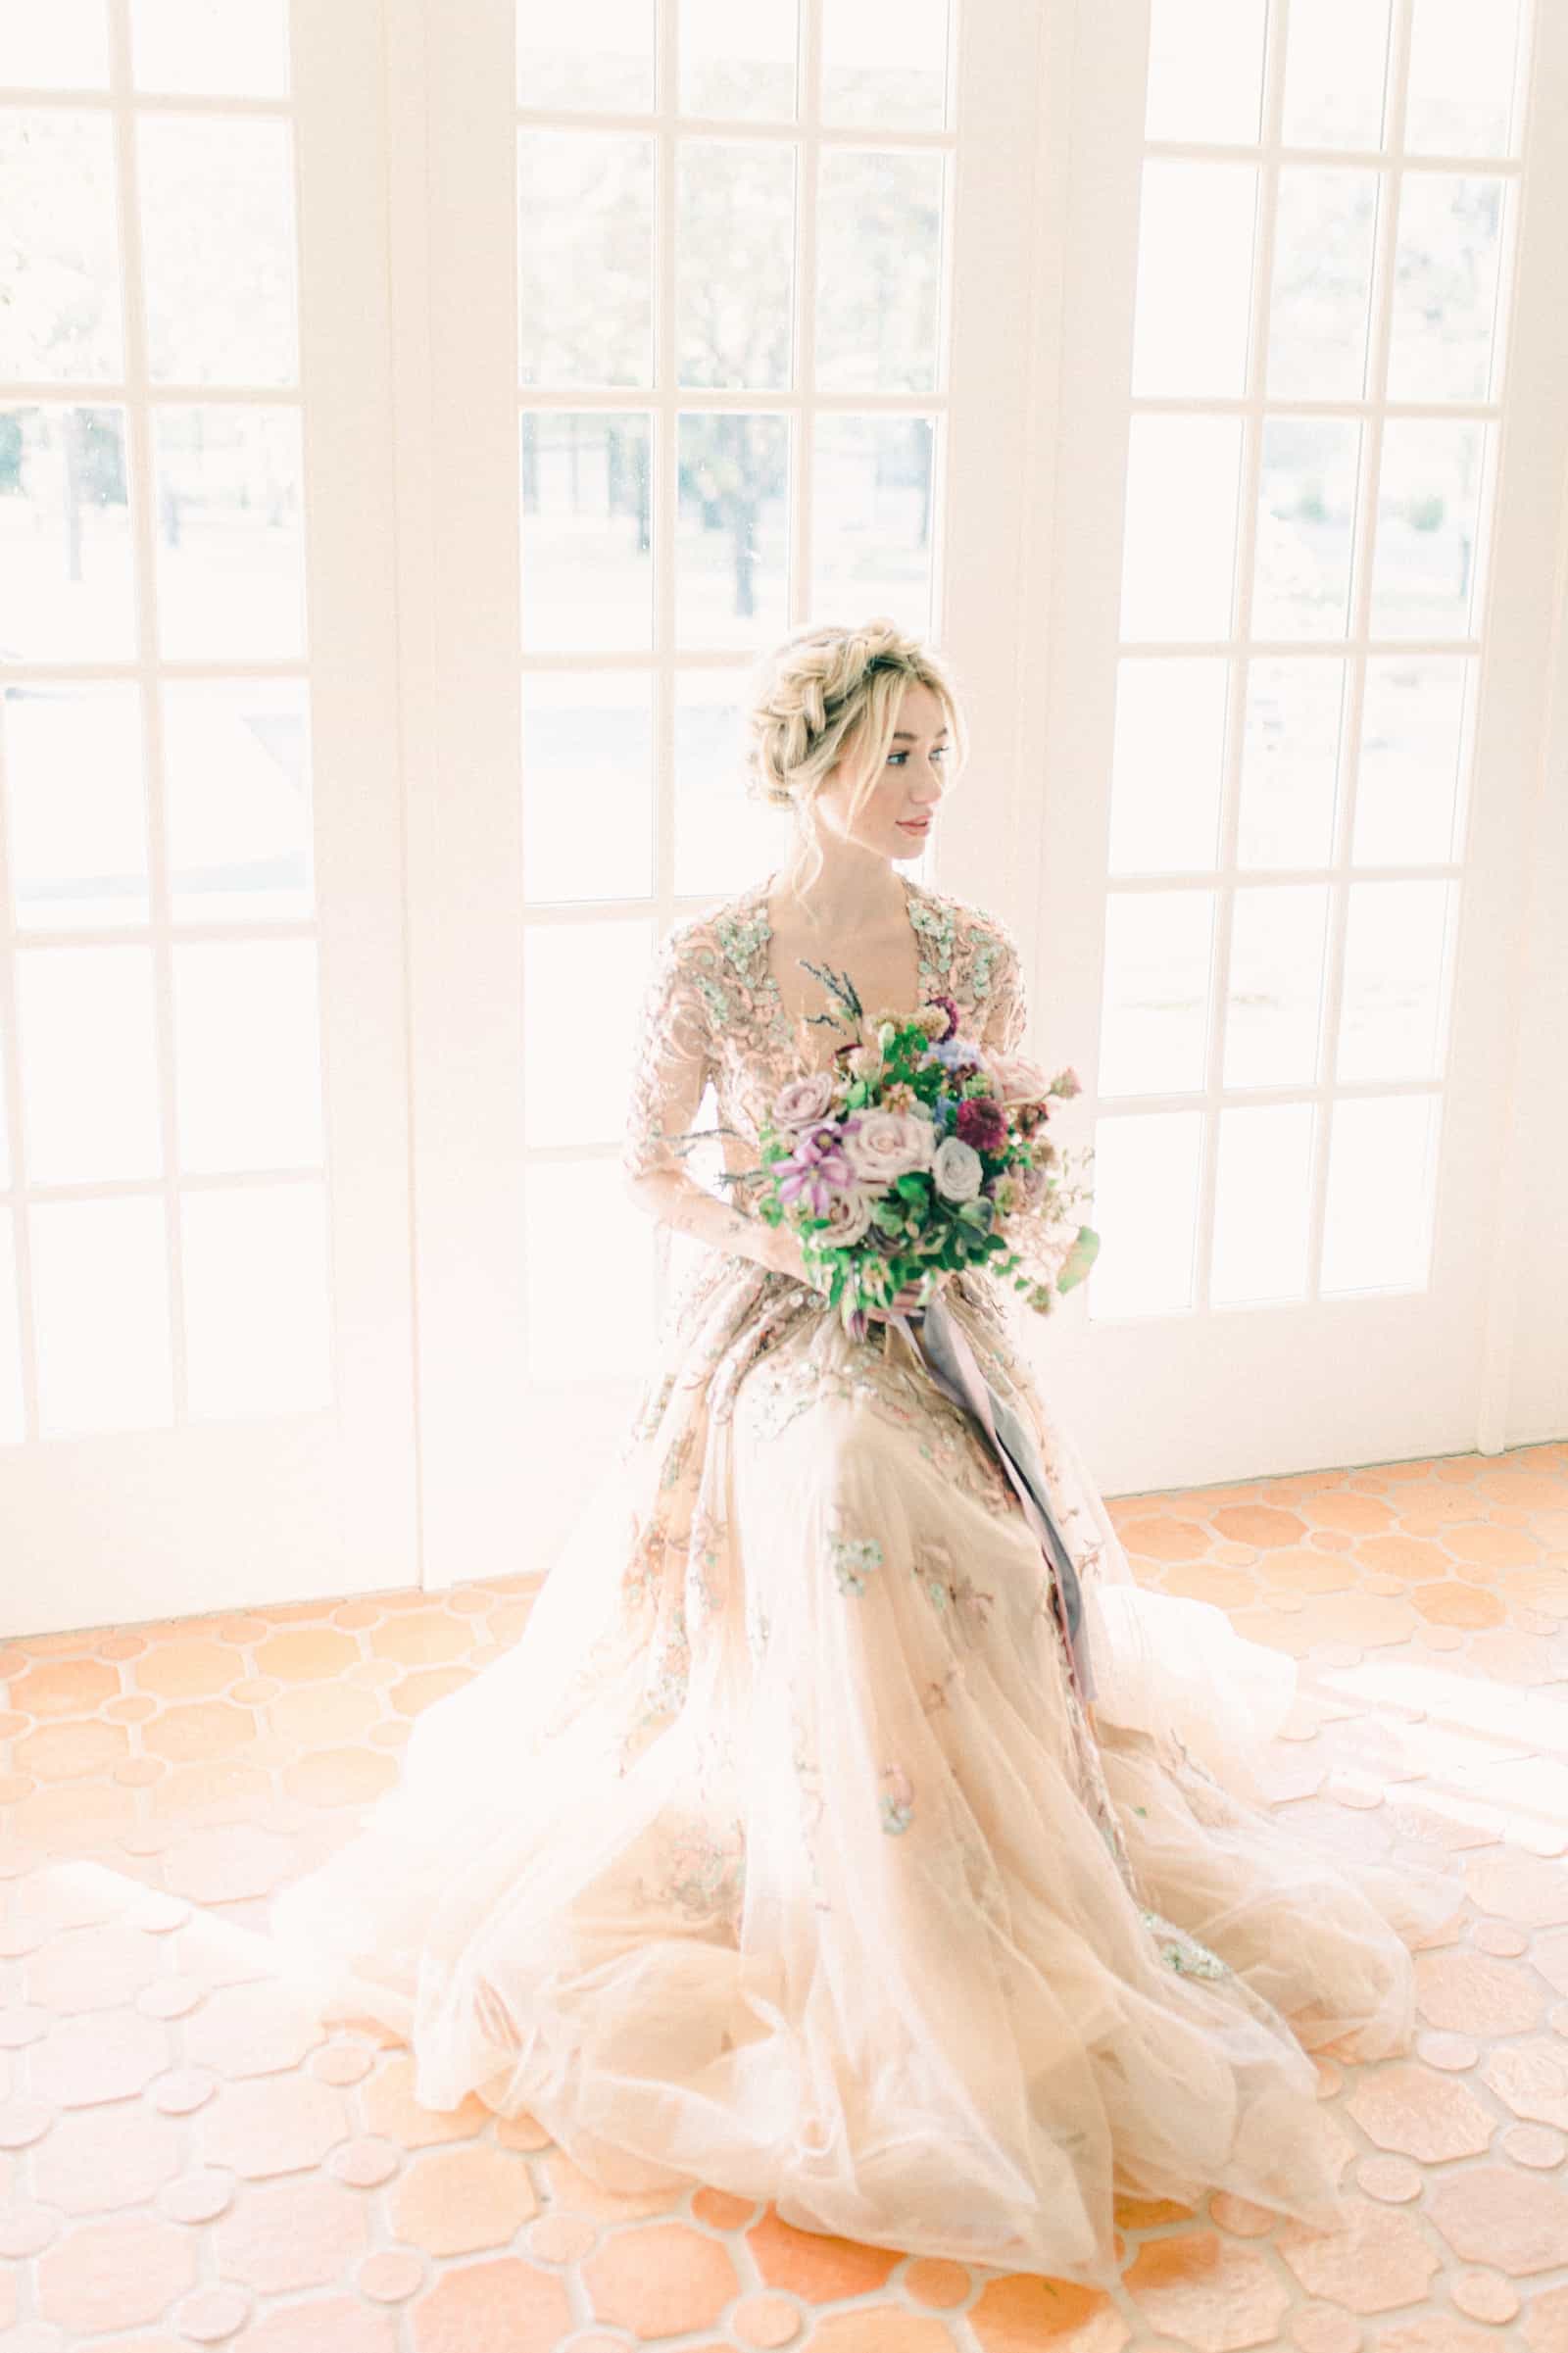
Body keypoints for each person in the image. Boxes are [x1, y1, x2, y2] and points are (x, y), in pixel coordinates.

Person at [271, 616, 1455, 2284]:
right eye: (894, 753)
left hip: (936, 1322)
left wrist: (965, 1204)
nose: (925, 787)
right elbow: (645, 1167)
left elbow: (1019, 1141)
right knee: (842, 1481)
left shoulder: (966, 949)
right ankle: (870, 1895)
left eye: (939, 754)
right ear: (806, 759)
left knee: (957, 1507)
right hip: (776, 1325)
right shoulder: (716, 963)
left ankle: (995, 1867)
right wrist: (795, 1236)